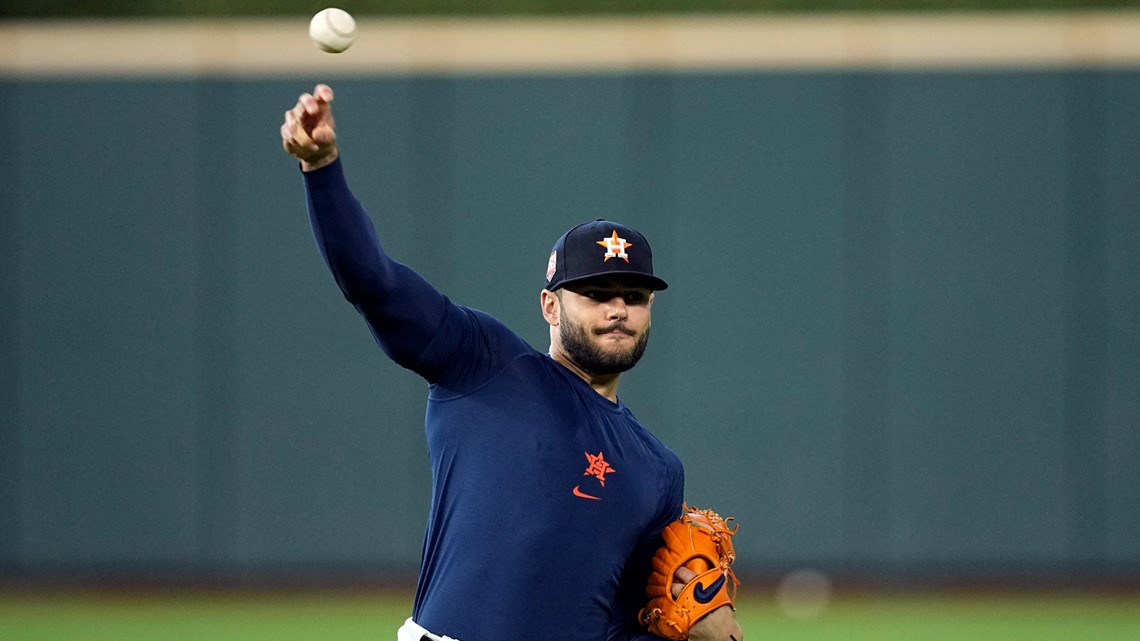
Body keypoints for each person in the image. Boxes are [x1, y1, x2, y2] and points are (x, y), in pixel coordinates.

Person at [280, 84, 743, 641]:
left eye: (634, 295)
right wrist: (323, 170)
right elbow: (374, 285)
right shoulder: (485, 364)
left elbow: (626, 624)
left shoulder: (659, 470)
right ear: (549, 305)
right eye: (597, 293)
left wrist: (702, 629)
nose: (618, 308)